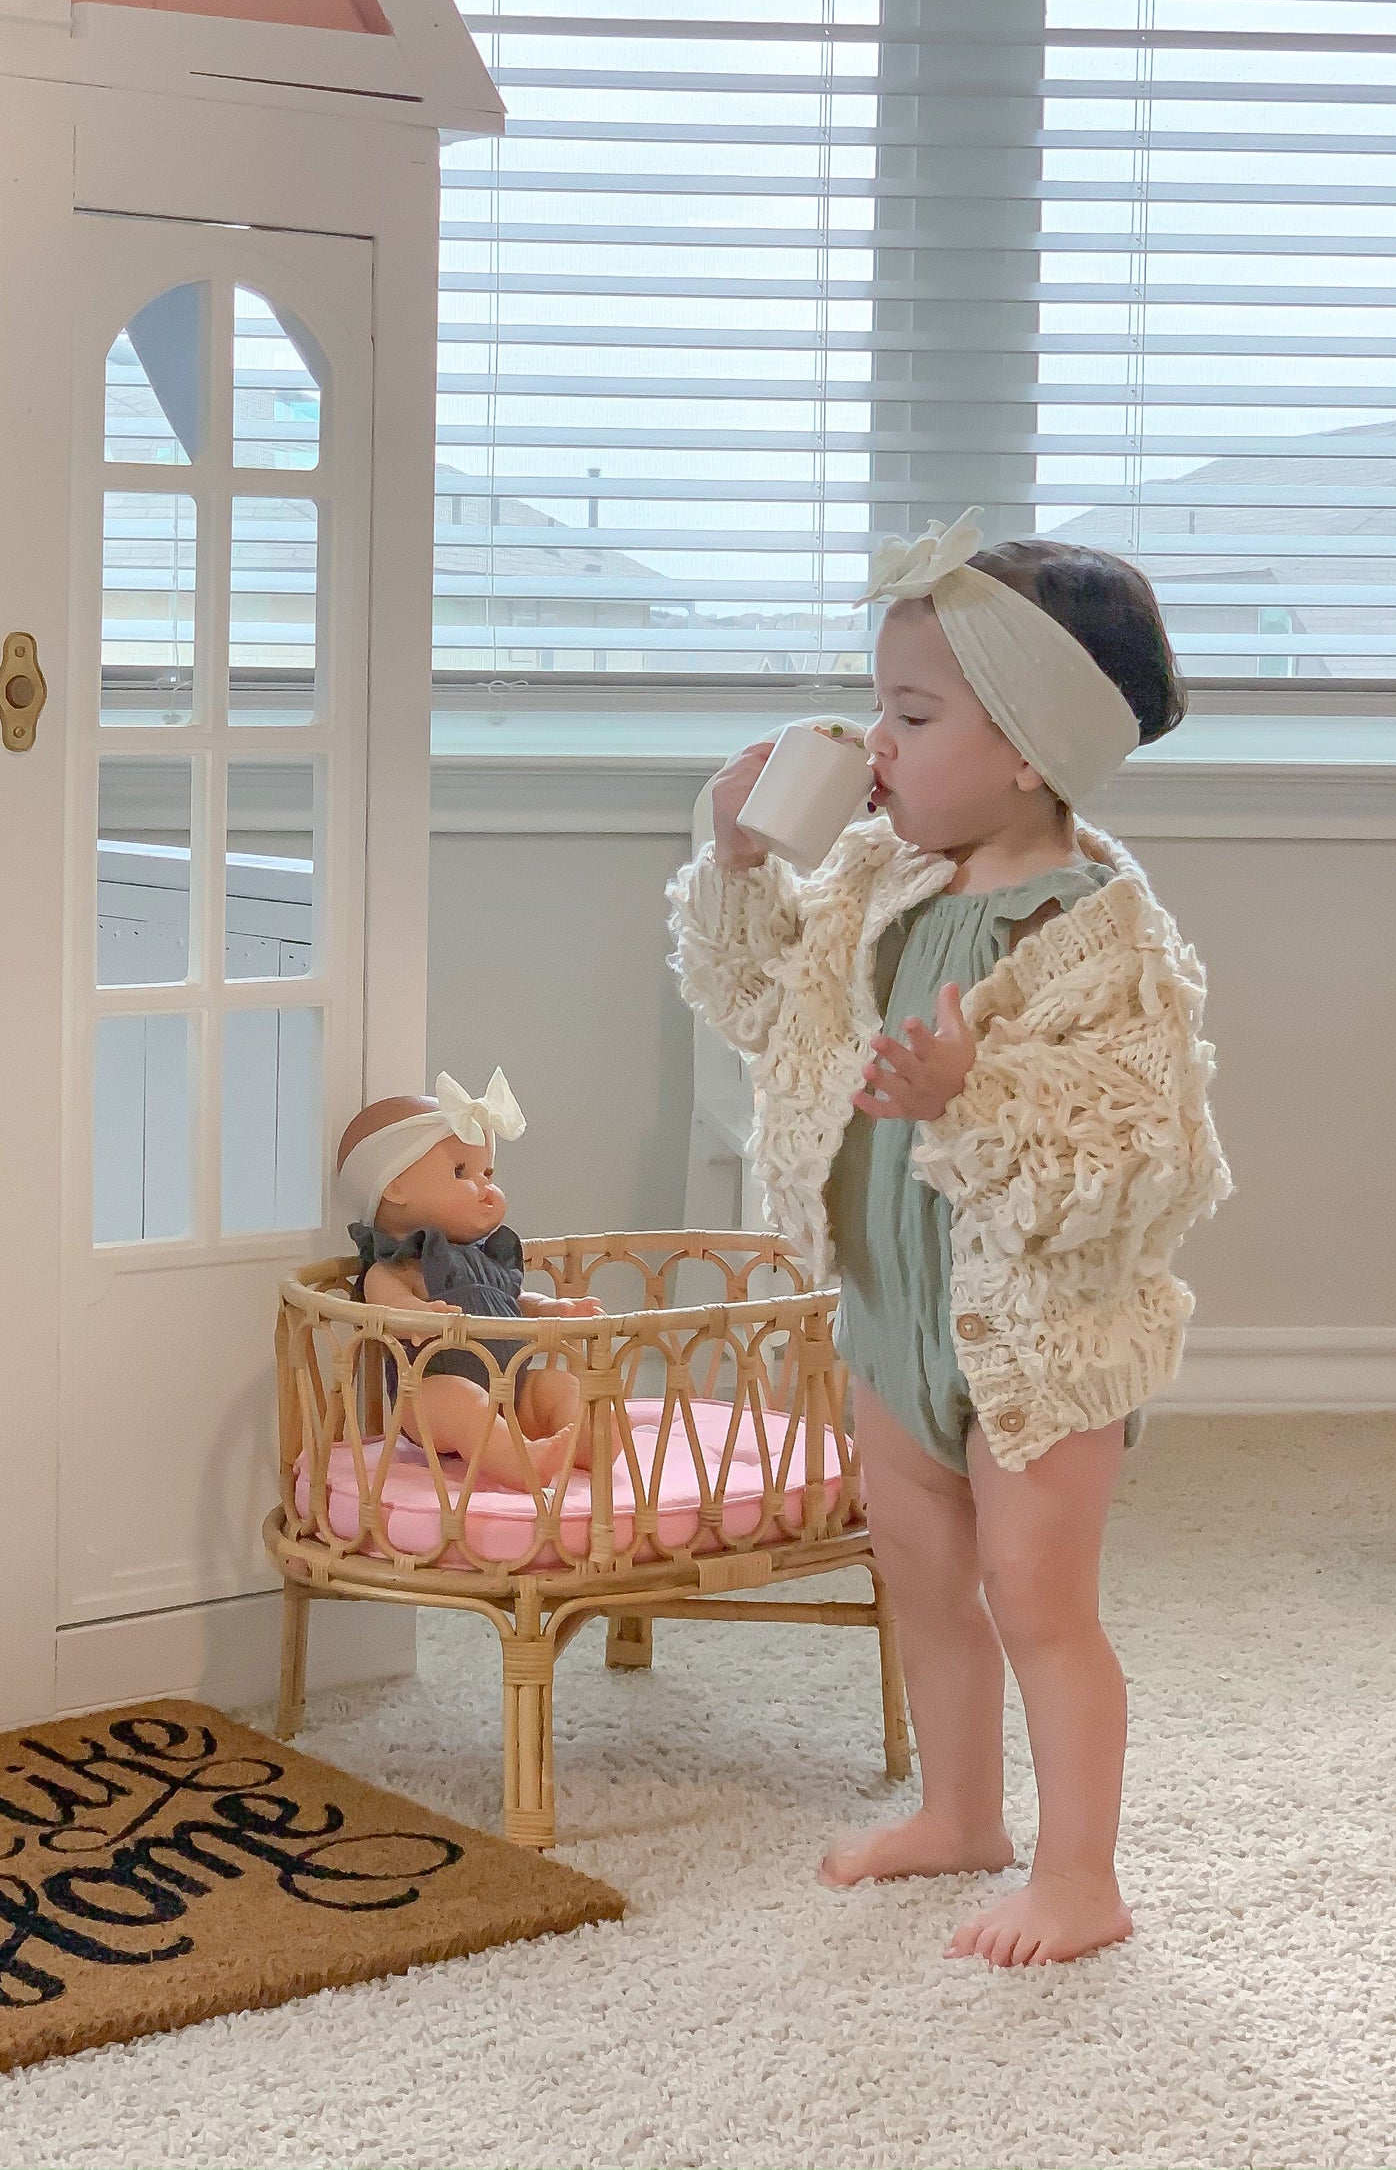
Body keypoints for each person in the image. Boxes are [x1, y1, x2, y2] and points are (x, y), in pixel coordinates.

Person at [668, 512, 1231, 1966]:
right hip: (888, 1314)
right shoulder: (874, 883)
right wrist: (737, 854)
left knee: (1036, 1597)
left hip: (1033, 1331)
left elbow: (1135, 1143)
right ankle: (958, 1808)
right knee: (920, 1578)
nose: (877, 741)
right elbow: (757, 995)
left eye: (912, 713)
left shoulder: (1105, 933)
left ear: (1029, 751)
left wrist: (968, 1086)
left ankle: (1079, 1871)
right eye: (879, 705)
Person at [337, 1070, 604, 1488]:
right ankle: (521, 1463)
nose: (484, 1187)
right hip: (429, 1398)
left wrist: (550, 1308)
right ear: (396, 1188)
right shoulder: (398, 1267)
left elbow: (511, 1306)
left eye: (488, 1174)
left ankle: (583, 1440)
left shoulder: (489, 1260)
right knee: (463, 1403)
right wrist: (419, 1313)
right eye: (462, 1172)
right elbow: (389, 1306)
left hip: (509, 1389)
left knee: (560, 1385)